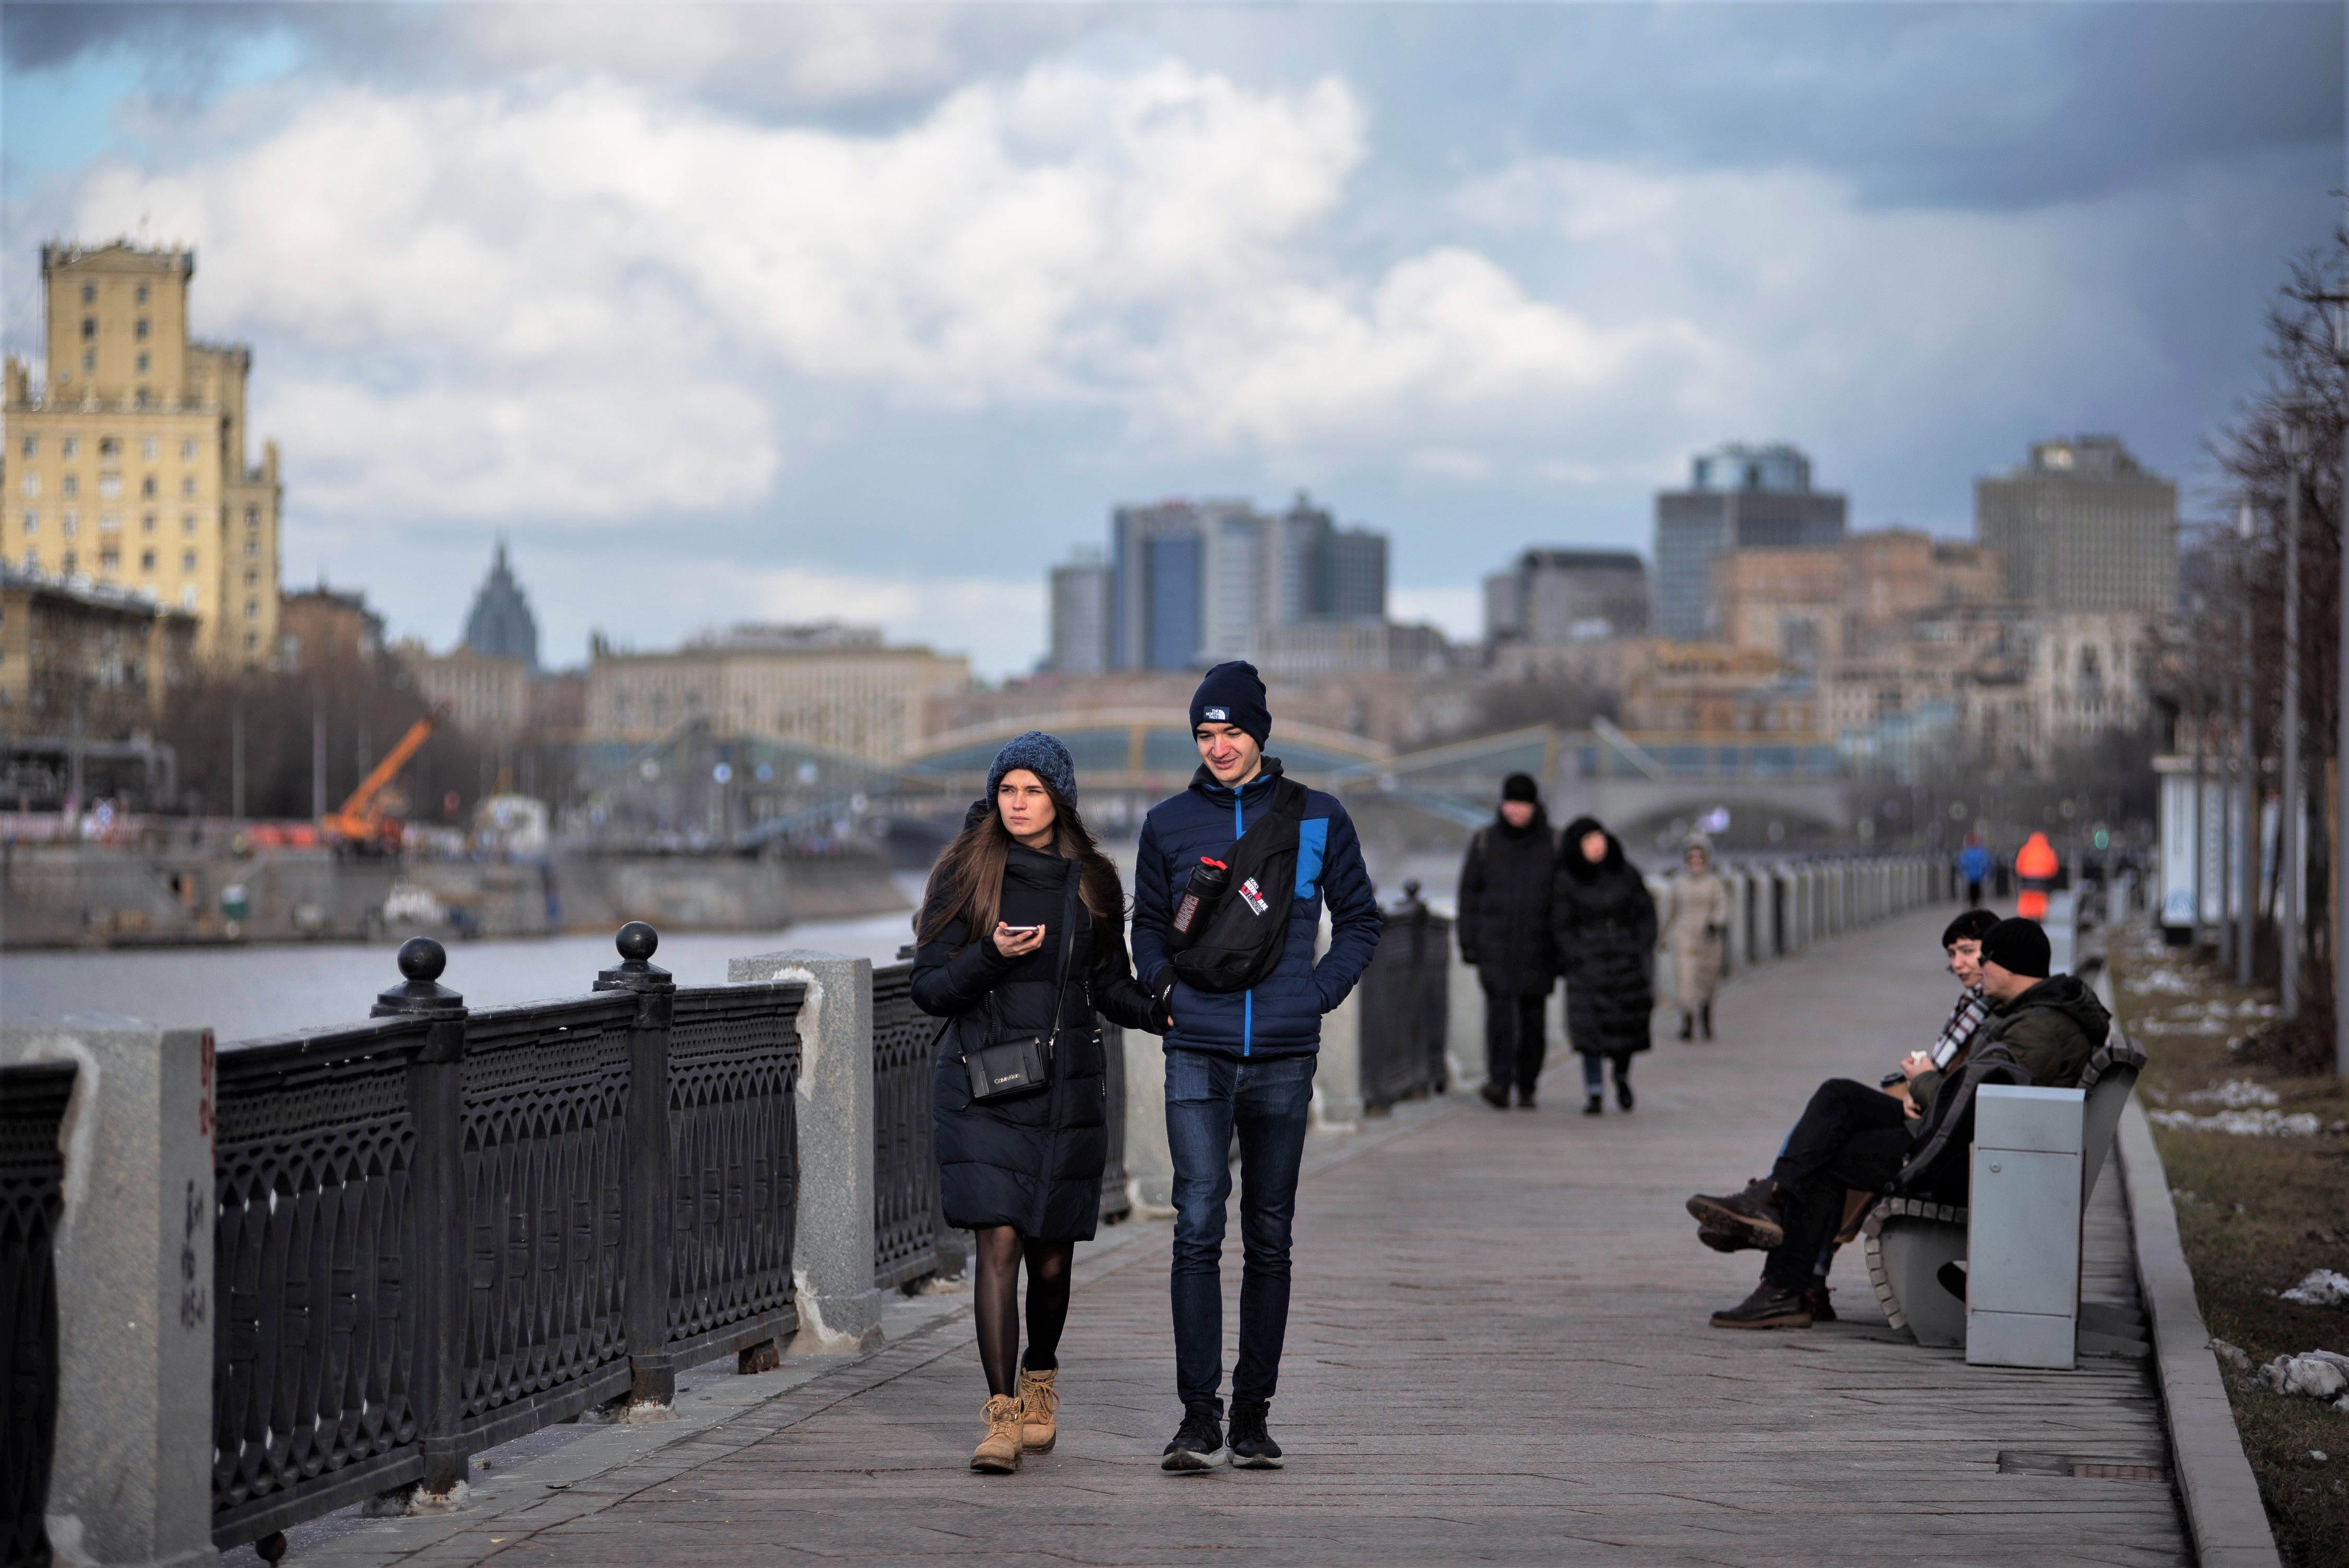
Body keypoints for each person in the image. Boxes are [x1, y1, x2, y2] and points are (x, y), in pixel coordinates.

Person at [1131, 661, 1382, 1473]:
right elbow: (1144, 926)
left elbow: (1361, 924)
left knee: (1269, 1236)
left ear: (1260, 733)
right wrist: (1164, 986)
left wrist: (1315, 996)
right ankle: (1197, 1419)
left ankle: (1252, 1417)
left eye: (1232, 732)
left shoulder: (1319, 818)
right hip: (1196, 1049)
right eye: (1205, 735)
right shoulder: (1168, 824)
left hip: (1282, 1054)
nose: (1219, 748)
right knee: (1198, 1225)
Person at [911, 732, 1167, 1473]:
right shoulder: (965, 873)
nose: (1018, 805)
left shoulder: (1091, 881)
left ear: (1060, 798)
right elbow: (929, 988)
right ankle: (999, 1415)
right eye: (1008, 790)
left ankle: (1040, 1378)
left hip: (1066, 1091)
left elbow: (1109, 987)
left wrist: (1161, 1009)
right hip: (985, 1087)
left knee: (1051, 1263)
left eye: (1033, 790)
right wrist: (992, 955)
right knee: (997, 1244)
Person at [1691, 916, 2108, 1330]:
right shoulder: (2031, 1014)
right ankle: (1772, 1205)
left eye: (1986, 960)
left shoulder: (2037, 1028)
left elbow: (1978, 1107)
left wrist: (1924, 1081)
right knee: (1838, 1097)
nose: (1979, 969)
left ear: (2009, 966)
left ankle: (1784, 1279)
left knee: (1830, 1152)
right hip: (1976, 1146)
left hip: (1974, 1162)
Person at [1682, 908, 1999, 1317]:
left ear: (1997, 954)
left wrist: (1923, 1087)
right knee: (1836, 1102)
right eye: (1953, 954)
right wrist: (1920, 1090)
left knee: (1831, 1139)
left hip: (1951, 1142)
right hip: (1943, 1122)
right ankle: (1781, 1224)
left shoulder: (1997, 1012)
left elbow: (1970, 1095)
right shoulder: (1980, 1005)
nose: (1957, 964)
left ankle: (1781, 1234)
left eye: (1968, 952)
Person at [1456, 773, 1560, 1109]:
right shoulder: (1486, 840)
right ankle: (1500, 1082)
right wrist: (1468, 941)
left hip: (1539, 946)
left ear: (1534, 805)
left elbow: (1565, 898)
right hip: (1495, 946)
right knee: (1499, 1018)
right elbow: (1468, 894)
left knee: (1533, 1021)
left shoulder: (1554, 843)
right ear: (1503, 804)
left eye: (1523, 804)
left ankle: (1527, 1083)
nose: (1516, 811)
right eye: (1511, 803)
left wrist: (1563, 947)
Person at [1550, 815, 1657, 1115]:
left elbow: (1646, 912)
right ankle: (1594, 1091)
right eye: (1588, 841)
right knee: (1589, 1033)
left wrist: (1639, 945)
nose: (1596, 846)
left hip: (1625, 962)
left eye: (1599, 838)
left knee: (1626, 1029)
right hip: (1588, 967)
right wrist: (1578, 954)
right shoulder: (1566, 879)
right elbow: (1560, 925)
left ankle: (1621, 1077)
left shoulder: (1625, 873)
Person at [1660, 834, 1729, 1042]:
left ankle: (1706, 1019)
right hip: (1685, 938)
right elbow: (1669, 911)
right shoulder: (1679, 884)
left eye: (1700, 857)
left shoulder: (1714, 884)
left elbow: (1722, 908)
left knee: (1707, 982)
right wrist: (1661, 936)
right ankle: (1687, 1024)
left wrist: (1715, 923)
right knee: (1686, 982)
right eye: (1692, 857)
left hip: (1708, 940)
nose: (1696, 861)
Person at [1958, 839, 1992, 908]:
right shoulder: (1981, 853)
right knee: (1977, 892)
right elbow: (1986, 864)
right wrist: (1986, 873)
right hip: (1978, 876)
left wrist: (1963, 873)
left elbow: (1960, 864)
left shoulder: (1966, 853)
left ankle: (1971, 905)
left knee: (1971, 891)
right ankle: (1977, 905)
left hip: (1970, 877)